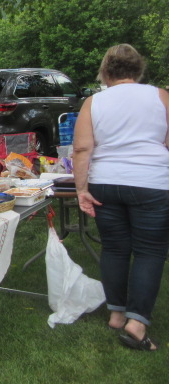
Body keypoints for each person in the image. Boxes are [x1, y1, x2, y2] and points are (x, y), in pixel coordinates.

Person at [73, 44, 169, 352]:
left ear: (105, 71)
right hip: (151, 182)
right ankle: (136, 323)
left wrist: (81, 190)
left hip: (106, 183)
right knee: (149, 252)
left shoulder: (93, 102)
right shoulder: (161, 96)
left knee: (114, 248)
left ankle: (117, 314)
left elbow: (82, 149)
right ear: (139, 69)